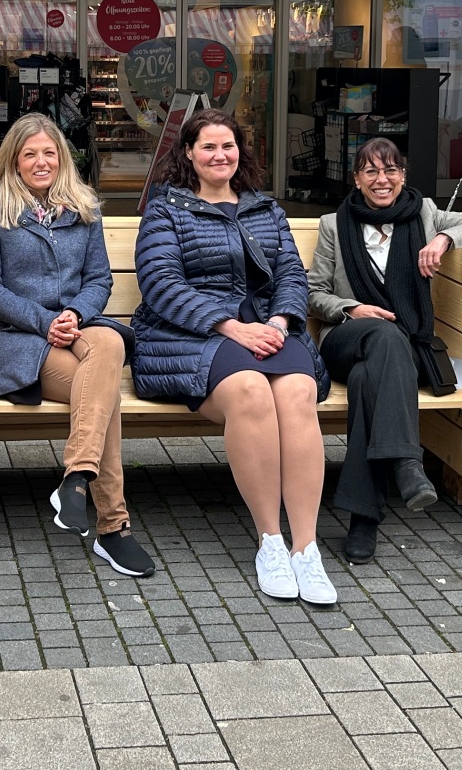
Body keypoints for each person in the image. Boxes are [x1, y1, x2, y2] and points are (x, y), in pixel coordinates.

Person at [131, 108, 335, 605]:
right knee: (249, 391)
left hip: (268, 330)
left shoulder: (266, 209)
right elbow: (160, 284)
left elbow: (291, 274)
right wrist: (231, 327)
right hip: (190, 336)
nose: (220, 155)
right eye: (208, 147)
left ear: (240, 151)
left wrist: (280, 323)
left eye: (228, 146)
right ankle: (270, 540)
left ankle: (306, 548)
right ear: (188, 154)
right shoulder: (166, 210)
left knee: (298, 390)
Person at [0, 113, 155, 579]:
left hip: (76, 328)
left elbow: (99, 280)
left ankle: (76, 479)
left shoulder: (83, 205)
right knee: (104, 393)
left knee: (109, 343)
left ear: (62, 158)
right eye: (29, 153)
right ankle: (114, 527)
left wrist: (74, 313)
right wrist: (45, 320)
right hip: (14, 339)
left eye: (49, 153)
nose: (40, 162)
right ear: (13, 160)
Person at [307, 139, 462, 562]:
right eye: (371, 172)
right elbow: (313, 293)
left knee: (368, 380)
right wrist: (353, 308)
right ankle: (406, 464)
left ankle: (364, 520)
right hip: (347, 337)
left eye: (391, 170)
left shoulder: (427, 215)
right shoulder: (332, 224)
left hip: (402, 350)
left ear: (403, 174)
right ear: (357, 179)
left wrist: (447, 238)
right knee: (380, 335)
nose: (382, 180)